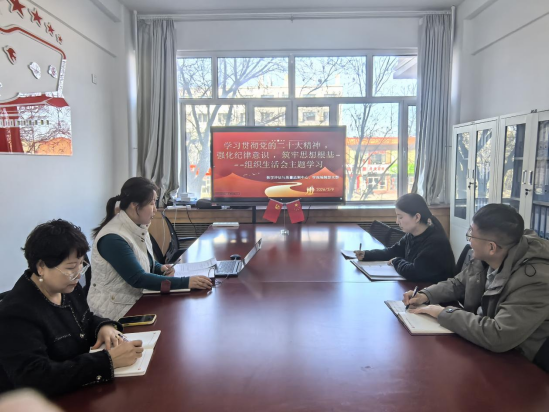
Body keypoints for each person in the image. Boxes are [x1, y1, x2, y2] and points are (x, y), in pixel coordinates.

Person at [0, 220, 143, 397]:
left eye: (82, 264)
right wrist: (107, 361)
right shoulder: (16, 313)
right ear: (41, 267)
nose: (78, 275)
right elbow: (34, 378)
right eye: (70, 267)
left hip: (77, 389)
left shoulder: (67, 288)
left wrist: (103, 327)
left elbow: (84, 320)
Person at [404, 204, 549, 362]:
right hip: (482, 344)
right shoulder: (489, 257)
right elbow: (458, 283)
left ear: (491, 247)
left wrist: (443, 313)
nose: (469, 240)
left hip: (518, 361)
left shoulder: (535, 280)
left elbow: (498, 335)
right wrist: (426, 295)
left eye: (471, 234)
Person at [88, 177, 212, 321]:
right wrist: (186, 282)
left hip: (135, 300)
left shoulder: (138, 226)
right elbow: (138, 278)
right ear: (135, 206)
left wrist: (160, 268)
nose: (155, 209)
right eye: (152, 203)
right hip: (114, 313)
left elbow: (144, 260)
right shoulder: (113, 238)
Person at [355, 193, 455, 283]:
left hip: (433, 294)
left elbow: (414, 271)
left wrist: (396, 261)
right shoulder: (412, 234)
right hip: (419, 288)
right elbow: (393, 252)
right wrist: (367, 255)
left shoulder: (435, 242)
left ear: (417, 217)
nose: (397, 221)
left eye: (400, 217)